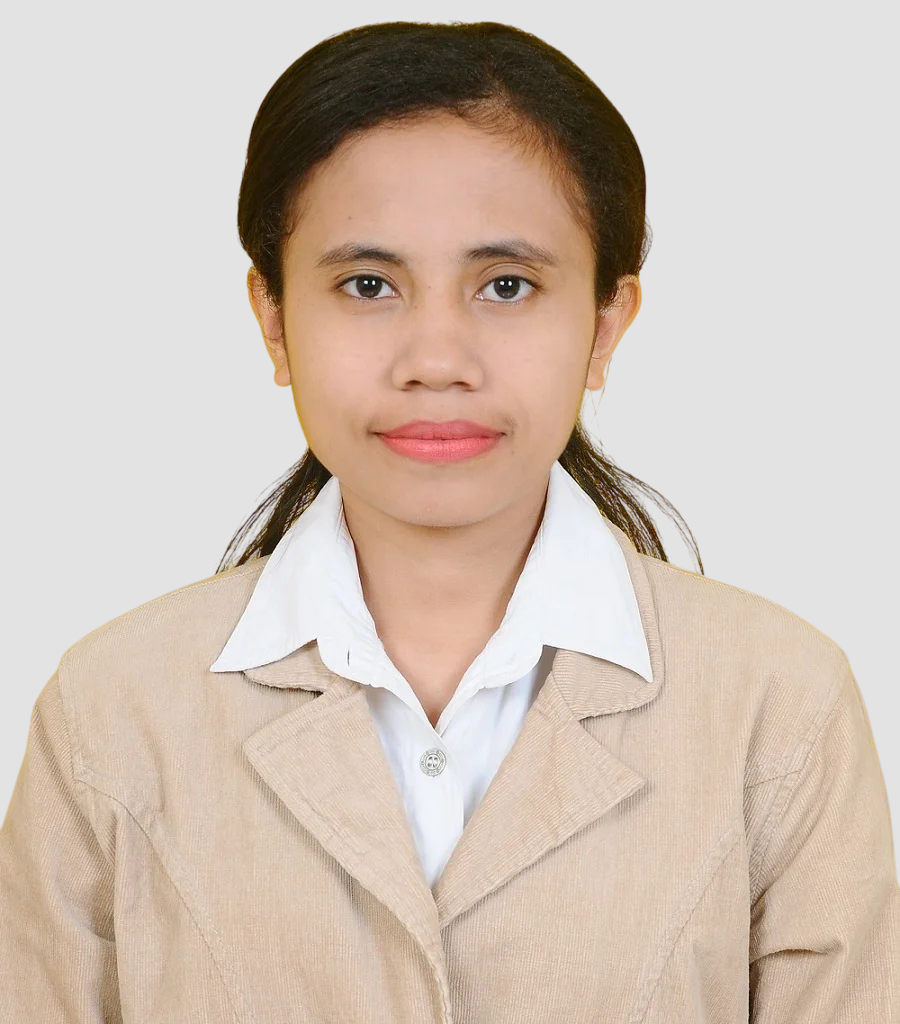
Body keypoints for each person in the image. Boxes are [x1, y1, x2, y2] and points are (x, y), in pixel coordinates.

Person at [1, 19, 897, 1023]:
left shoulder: (778, 707)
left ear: (605, 324)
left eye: (507, 286)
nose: (436, 358)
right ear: (274, 319)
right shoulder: (111, 712)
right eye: (368, 285)